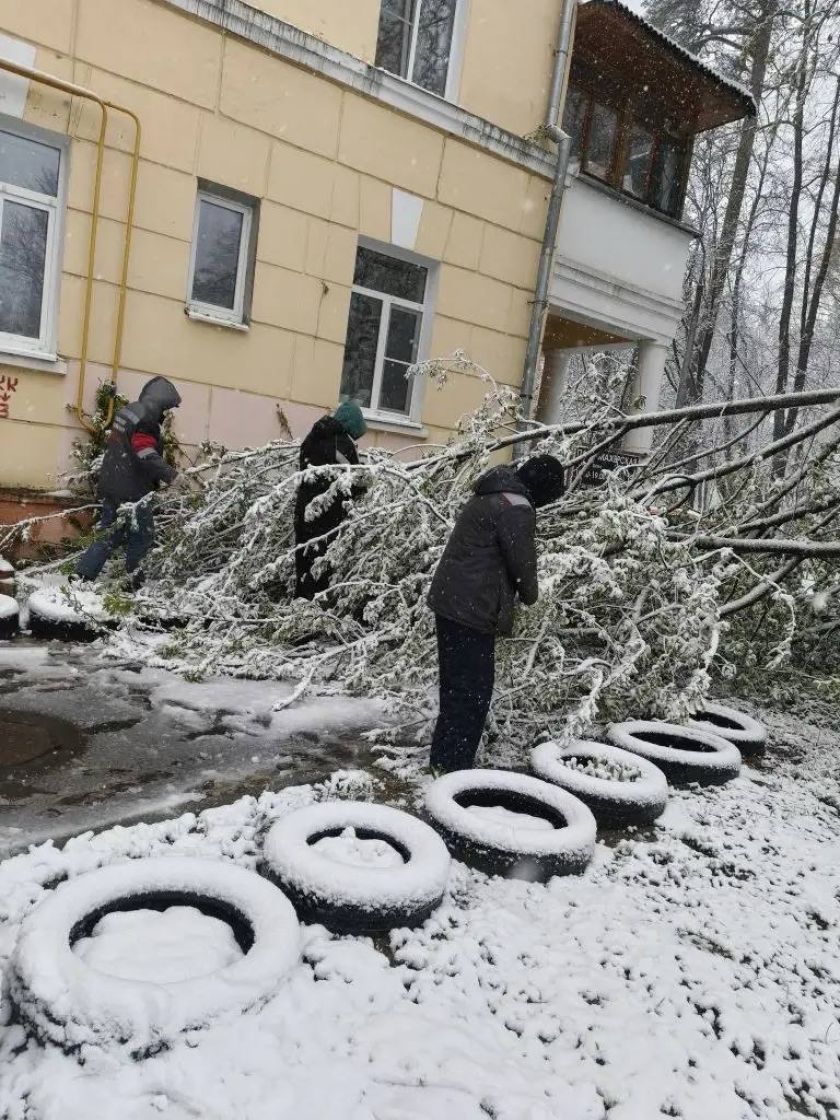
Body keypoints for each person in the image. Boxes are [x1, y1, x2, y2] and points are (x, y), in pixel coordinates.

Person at [427, 454, 566, 773]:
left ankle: (442, 761)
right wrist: (532, 594)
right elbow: (523, 567)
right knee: (473, 694)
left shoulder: (494, 492)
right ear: (543, 489)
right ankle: (453, 770)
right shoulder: (516, 507)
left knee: (455, 687)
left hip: (450, 601)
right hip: (472, 609)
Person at [76, 376, 181, 584]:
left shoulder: (129, 411)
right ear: (159, 403)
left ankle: (82, 575)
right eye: (166, 409)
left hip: (112, 482)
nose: (165, 414)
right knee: (142, 536)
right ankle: (135, 582)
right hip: (133, 491)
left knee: (110, 532)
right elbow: (145, 452)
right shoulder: (148, 419)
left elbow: (122, 447)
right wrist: (171, 475)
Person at [294, 401, 367, 600]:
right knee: (322, 572)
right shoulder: (342, 443)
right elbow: (356, 480)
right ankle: (316, 617)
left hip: (304, 511)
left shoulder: (315, 436)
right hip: (327, 519)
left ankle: (299, 613)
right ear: (351, 425)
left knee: (304, 566)